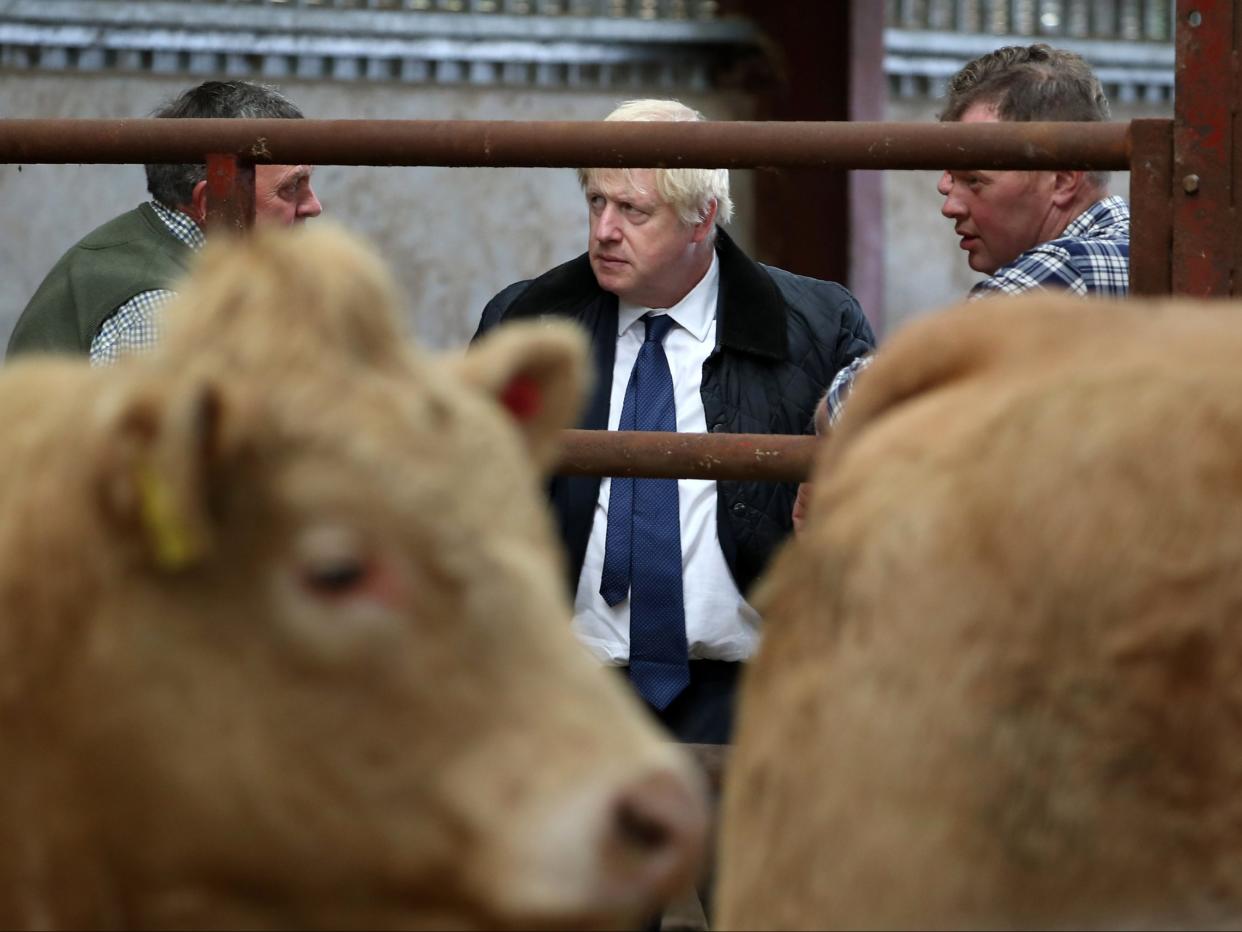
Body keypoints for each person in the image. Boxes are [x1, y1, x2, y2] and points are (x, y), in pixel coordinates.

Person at [475, 98, 874, 748]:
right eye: (596, 203)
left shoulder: (818, 325)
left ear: (702, 219)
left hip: (751, 690)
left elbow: (876, 493)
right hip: (565, 690)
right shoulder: (527, 322)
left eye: (633, 211)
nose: (604, 230)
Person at [817, 43, 1130, 435]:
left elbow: (850, 405)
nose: (950, 207)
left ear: (1063, 180)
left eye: (974, 180)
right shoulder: (1139, 245)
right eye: (951, 179)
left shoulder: (1069, 270)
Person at [7, 80, 323, 364]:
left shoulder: (168, 262)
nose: (313, 206)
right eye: (291, 187)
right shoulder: (161, 309)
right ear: (213, 203)